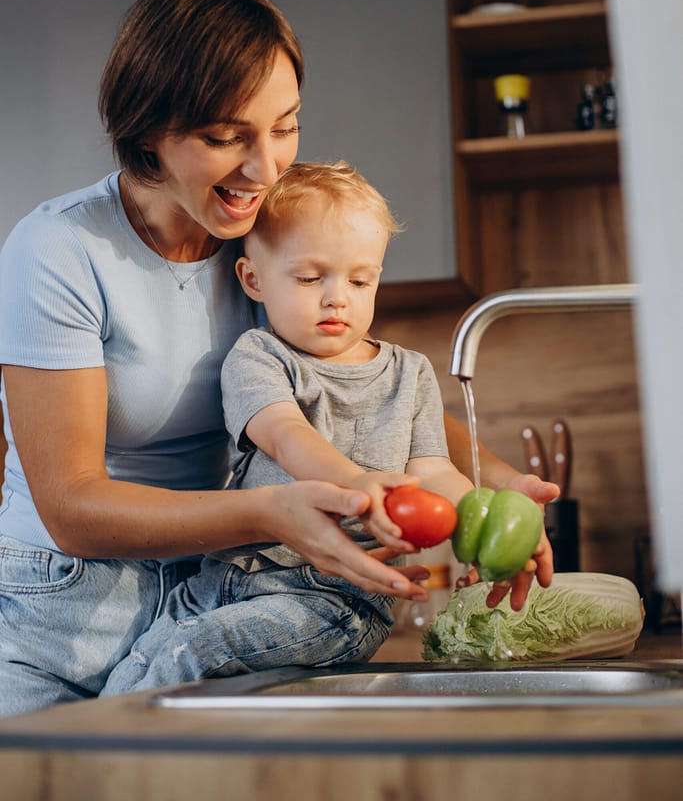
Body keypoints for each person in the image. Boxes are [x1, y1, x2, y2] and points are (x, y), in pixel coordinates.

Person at [0, 0, 557, 717]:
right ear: (147, 134)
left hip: (214, 599)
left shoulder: (266, 240)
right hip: (62, 613)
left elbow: (366, 383)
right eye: (225, 136)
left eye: (284, 125)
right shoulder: (58, 249)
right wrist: (272, 512)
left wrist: (493, 486)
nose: (265, 168)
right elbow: (72, 507)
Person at [101, 160, 481, 694]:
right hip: (224, 581)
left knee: (195, 651)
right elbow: (283, 433)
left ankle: (117, 766)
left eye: (360, 279)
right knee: (138, 669)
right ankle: (106, 770)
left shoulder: (410, 372)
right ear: (253, 279)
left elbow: (434, 472)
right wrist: (354, 482)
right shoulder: (258, 356)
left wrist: (483, 528)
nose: (337, 297)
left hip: (333, 599)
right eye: (309, 278)